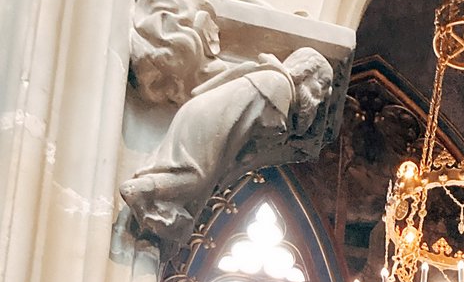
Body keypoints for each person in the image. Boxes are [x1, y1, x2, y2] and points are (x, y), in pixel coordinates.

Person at [122, 47, 333, 246]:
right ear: (304, 72)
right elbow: (267, 128)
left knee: (198, 185)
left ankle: (157, 209)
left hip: (207, 122)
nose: (323, 96)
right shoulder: (279, 84)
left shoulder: (276, 82)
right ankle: (139, 191)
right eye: (322, 84)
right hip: (205, 123)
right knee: (193, 178)